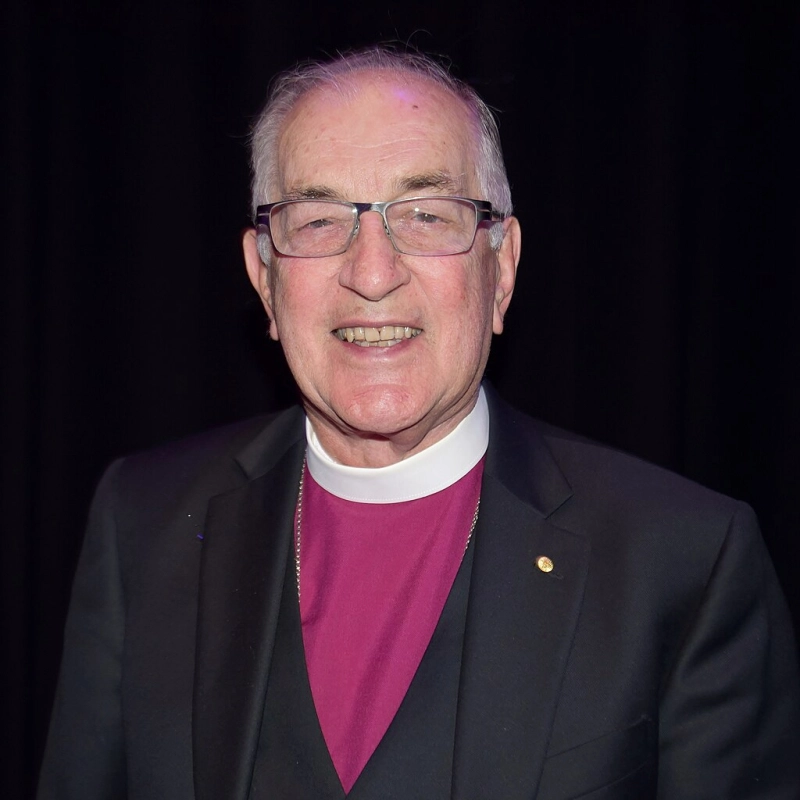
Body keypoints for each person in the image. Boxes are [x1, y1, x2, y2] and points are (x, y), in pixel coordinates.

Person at [38, 47, 800, 800]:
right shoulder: (142, 521)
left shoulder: (684, 562)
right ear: (263, 276)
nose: (372, 273)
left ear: (499, 271)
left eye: (427, 215)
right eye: (318, 219)